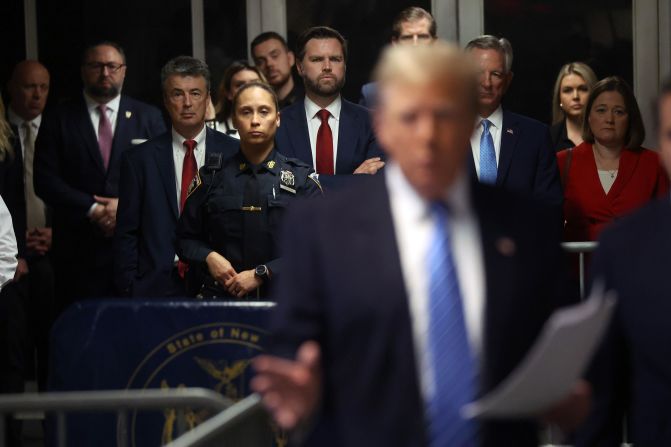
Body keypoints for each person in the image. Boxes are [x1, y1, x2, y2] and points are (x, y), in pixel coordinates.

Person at [252, 41, 586, 446]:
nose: (427, 135)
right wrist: (300, 389)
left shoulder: (523, 225)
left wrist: (572, 391)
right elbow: (291, 347)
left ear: (469, 121)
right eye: (410, 117)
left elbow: (566, 345)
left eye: (444, 115)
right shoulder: (322, 228)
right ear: (383, 126)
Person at [573, 77, 671, 446]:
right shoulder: (623, 248)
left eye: (619, 111)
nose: (610, 119)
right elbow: (606, 394)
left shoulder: (648, 166)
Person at [34, 41, 166, 308]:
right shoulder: (59, 118)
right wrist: (93, 208)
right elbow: (45, 180)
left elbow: (163, 180)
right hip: (76, 255)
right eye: (96, 66)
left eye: (112, 66)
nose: (105, 73)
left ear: (124, 71)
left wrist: (125, 207)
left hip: (134, 255)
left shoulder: (148, 117)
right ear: (83, 71)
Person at [177, 81, 321, 299]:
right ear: (234, 120)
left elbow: (317, 246)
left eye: (264, 111)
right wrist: (209, 256)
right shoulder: (211, 177)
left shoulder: (301, 180)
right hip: (222, 303)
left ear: (278, 118)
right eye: (246, 112)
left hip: (285, 303)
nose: (255, 121)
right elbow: (183, 239)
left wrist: (264, 273)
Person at [114, 56, 238, 298]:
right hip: (155, 285)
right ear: (165, 100)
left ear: (208, 97)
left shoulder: (234, 153)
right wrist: (130, 285)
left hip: (221, 283)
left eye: (195, 93)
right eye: (177, 94)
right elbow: (126, 233)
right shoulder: (139, 159)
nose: (187, 103)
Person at [557, 76, 668, 243]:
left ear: (630, 118)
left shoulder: (653, 164)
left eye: (618, 112)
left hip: (635, 265)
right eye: (601, 110)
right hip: (581, 266)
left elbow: (665, 225)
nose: (609, 119)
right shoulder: (563, 162)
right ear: (589, 116)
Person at [275, 26, 384, 190]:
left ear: (345, 65)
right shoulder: (278, 124)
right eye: (317, 59)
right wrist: (351, 180)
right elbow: (280, 185)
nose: (327, 66)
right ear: (299, 67)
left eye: (335, 59)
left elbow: (373, 186)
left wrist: (305, 181)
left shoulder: (373, 123)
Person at [465, 35, 562, 210]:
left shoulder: (535, 137)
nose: (486, 83)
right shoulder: (444, 135)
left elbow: (550, 209)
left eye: (495, 74)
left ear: (508, 80)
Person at [6, 59, 54, 391]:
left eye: (43, 87)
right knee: (11, 351)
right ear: (11, 88)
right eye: (28, 87)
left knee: (51, 346)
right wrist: (13, 247)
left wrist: (57, 234)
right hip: (6, 261)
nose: (36, 95)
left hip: (52, 253)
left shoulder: (57, 130)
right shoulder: (0, 133)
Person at [359, 6, 437, 108]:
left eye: (422, 36)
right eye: (407, 37)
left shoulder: (454, 90)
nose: (415, 44)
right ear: (395, 43)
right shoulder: (372, 95)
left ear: (434, 42)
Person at [550, 62, 597, 152]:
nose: (575, 96)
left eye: (583, 89)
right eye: (568, 90)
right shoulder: (549, 139)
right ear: (559, 98)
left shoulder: (606, 136)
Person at [212, 61, 267, 137]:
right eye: (240, 85)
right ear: (229, 93)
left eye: (255, 83)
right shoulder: (215, 131)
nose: (248, 89)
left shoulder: (278, 125)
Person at [251, 32, 303, 109]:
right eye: (260, 61)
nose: (269, 64)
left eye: (274, 56)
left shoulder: (309, 101)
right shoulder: (255, 107)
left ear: (290, 58)